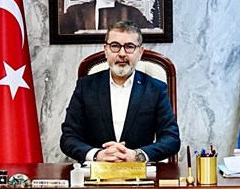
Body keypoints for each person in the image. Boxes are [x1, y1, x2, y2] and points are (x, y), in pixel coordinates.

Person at [60, 20, 181, 163]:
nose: (122, 53)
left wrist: (137, 156)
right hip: (96, 172)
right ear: (106, 50)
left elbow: (171, 139)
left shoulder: (156, 89)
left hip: (138, 172)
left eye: (129, 47)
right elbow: (68, 138)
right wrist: (97, 155)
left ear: (140, 52)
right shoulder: (85, 87)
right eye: (115, 46)